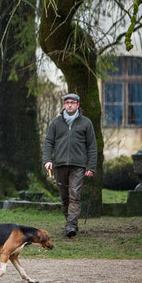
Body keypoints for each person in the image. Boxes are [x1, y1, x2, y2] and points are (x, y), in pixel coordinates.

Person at [43, 93, 97, 238]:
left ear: (78, 105)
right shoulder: (56, 123)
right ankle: (70, 223)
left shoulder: (86, 123)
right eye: (67, 103)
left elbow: (92, 146)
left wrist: (91, 167)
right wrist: (47, 160)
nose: (69, 105)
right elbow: (48, 142)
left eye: (72, 102)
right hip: (60, 165)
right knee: (65, 198)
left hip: (78, 166)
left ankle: (71, 226)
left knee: (75, 196)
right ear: (63, 105)